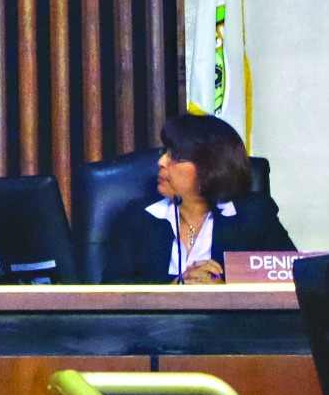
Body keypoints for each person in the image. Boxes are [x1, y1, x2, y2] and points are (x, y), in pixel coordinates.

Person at [102, 114, 295, 284]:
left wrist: (225, 293)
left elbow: (290, 281)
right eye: (164, 153)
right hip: (155, 325)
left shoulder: (254, 215)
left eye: (175, 156)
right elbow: (113, 288)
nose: (160, 162)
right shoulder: (138, 215)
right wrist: (175, 288)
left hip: (230, 324)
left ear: (210, 168)